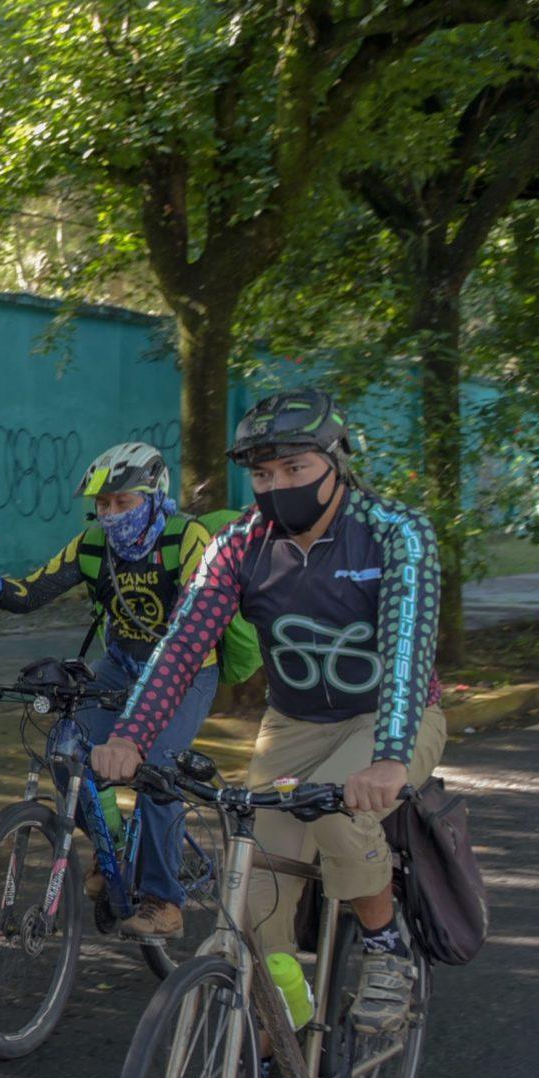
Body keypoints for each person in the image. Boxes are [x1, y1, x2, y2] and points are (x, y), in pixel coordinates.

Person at [90, 389, 443, 1030]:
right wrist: (133, 735)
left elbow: (407, 652)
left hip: (390, 718)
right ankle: (289, 1029)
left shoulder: (396, 533)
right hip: (292, 725)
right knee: (251, 900)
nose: (276, 486)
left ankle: (389, 952)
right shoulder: (239, 545)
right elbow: (183, 642)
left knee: (337, 809)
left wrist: (390, 760)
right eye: (261, 473)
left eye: (295, 469)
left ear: (338, 461)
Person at [0, 441, 220, 942]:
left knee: (157, 769)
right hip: (120, 667)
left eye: (122, 503)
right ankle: (116, 849)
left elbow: (197, 623)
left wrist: (151, 707)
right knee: (65, 751)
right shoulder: (93, 547)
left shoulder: (187, 538)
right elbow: (32, 591)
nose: (110, 514)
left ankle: (164, 901)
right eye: (103, 505)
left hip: (187, 670)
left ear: (154, 496)